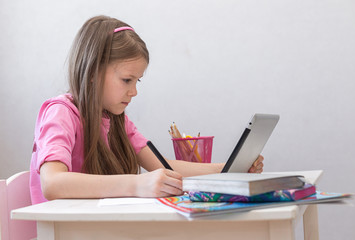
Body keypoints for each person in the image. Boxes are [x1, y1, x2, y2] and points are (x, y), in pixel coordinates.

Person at [29, 15, 264, 205]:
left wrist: (228, 169)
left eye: (137, 81)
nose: (134, 92)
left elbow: (164, 168)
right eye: (127, 80)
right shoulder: (61, 113)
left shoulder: (116, 119)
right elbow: (52, 183)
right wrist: (136, 184)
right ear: (93, 73)